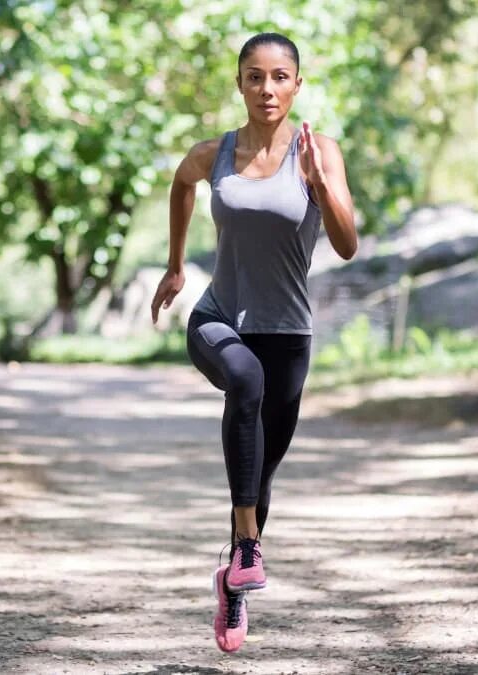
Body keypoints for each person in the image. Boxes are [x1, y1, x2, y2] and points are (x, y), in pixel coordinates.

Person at [150, 32, 358, 653]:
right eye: (254, 77)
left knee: (260, 473)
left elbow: (347, 245)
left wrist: (321, 187)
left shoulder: (319, 151)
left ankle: (233, 584)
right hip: (219, 320)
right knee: (245, 380)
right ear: (239, 83)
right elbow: (180, 186)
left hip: (288, 335)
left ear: (298, 84)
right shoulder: (214, 153)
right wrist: (176, 265)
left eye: (280, 77)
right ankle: (246, 548)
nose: (267, 88)